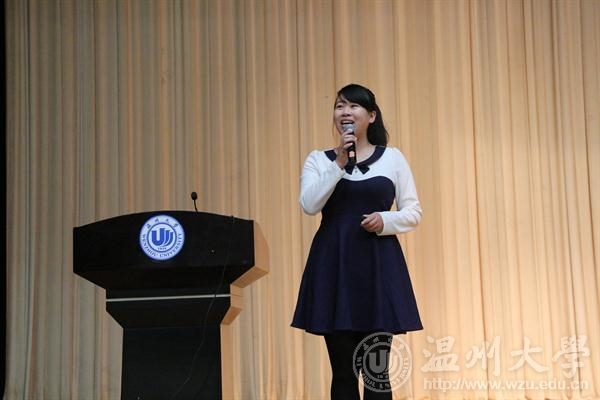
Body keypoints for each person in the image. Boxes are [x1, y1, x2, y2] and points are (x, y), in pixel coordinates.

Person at [291, 83, 423, 400]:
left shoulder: (392, 158)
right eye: (339, 106)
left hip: (378, 267)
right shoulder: (319, 160)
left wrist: (385, 220)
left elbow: (413, 211)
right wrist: (338, 163)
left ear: (371, 116)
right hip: (334, 267)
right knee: (343, 371)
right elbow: (309, 205)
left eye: (353, 106)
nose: (345, 112)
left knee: (376, 372)